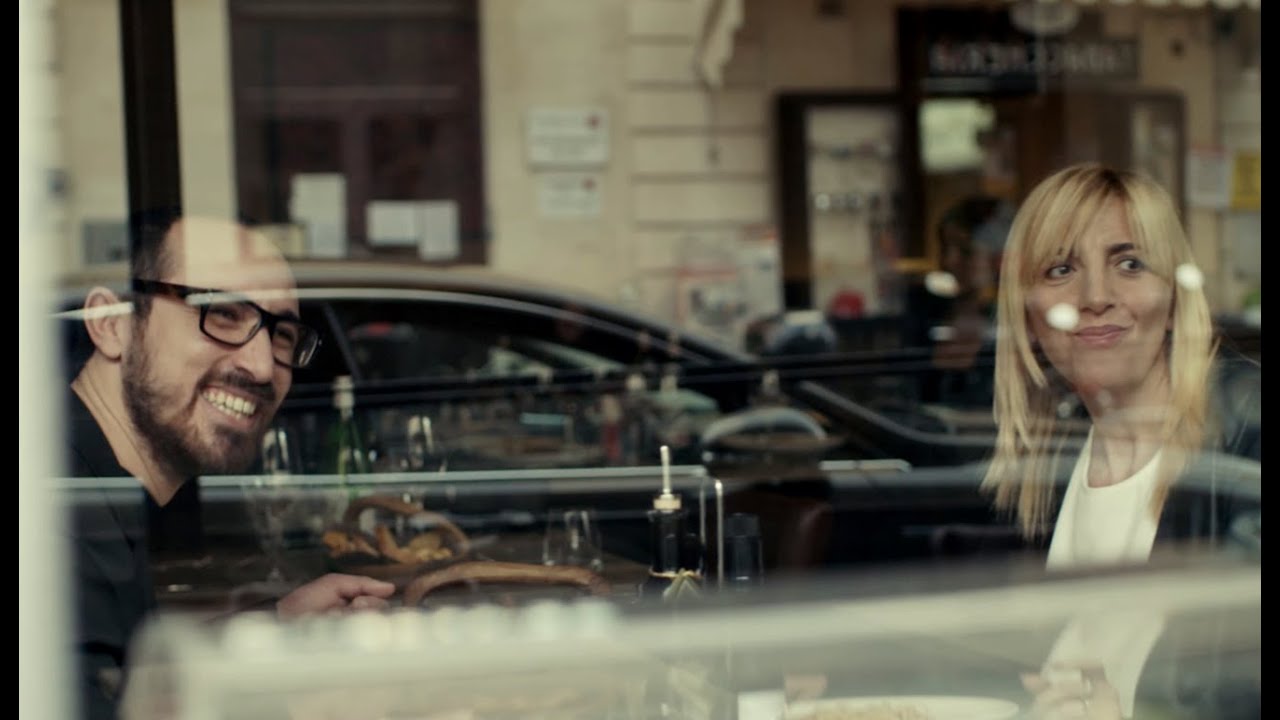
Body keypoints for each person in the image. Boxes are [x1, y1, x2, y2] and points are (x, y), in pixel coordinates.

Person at [65, 209, 396, 720]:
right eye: (220, 313)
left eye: (282, 334)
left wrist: (275, 629)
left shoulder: (91, 487)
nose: (261, 367)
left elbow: (123, 684)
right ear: (112, 325)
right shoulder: (52, 517)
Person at [981, 163, 1261, 718]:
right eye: (1061, 269)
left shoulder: (1247, 434)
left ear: (1174, 294)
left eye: (1130, 264)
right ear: (1027, 313)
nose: (1095, 296)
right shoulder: (1047, 462)